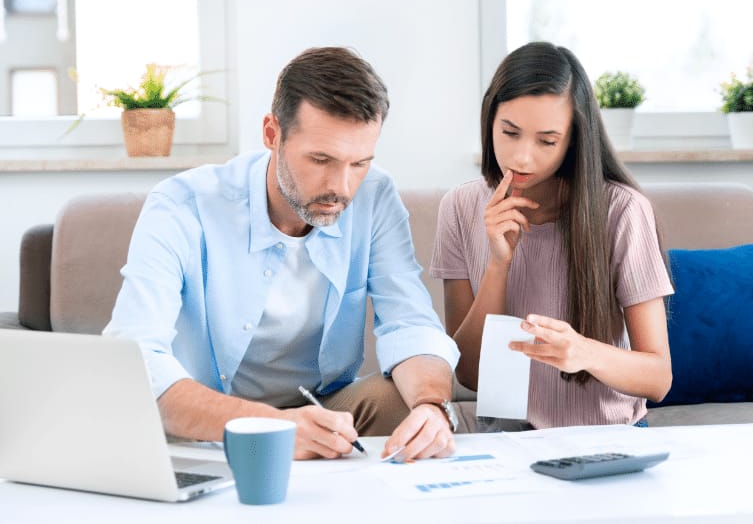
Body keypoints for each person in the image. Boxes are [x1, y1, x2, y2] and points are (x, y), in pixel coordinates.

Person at [104, 47, 460, 460]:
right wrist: (270, 426)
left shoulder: (375, 197)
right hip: (212, 417)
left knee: (406, 402)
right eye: (321, 159)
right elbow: (135, 354)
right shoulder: (182, 205)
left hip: (325, 411)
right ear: (272, 134)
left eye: (359, 162)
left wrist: (434, 407)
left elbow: (409, 321)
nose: (342, 187)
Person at [430, 42, 673, 430]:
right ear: (489, 120)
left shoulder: (623, 210)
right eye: (509, 132)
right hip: (508, 439)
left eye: (546, 141)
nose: (523, 157)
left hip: (609, 437)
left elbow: (659, 379)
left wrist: (584, 352)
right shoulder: (460, 207)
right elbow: (469, 374)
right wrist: (499, 264)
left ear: (573, 139)